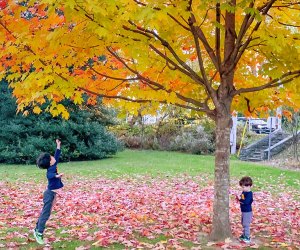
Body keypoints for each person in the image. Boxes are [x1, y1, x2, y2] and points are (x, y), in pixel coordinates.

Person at [33, 139, 64, 245]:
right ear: (50, 162)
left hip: (53, 193)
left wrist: (58, 146)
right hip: (49, 194)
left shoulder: (53, 165)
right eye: (52, 157)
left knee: (47, 213)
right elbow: (49, 176)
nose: (53, 157)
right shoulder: (50, 170)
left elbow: (57, 155)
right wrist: (57, 176)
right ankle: (39, 233)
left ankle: (36, 229)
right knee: (45, 214)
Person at [236, 176, 253, 244]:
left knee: (246, 224)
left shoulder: (249, 194)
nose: (243, 189)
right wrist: (239, 199)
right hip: (243, 211)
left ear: (249, 186)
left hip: (247, 211)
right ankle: (244, 235)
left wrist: (241, 201)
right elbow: (242, 198)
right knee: (243, 223)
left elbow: (247, 202)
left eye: (244, 187)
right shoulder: (244, 192)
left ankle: (247, 237)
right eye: (242, 187)